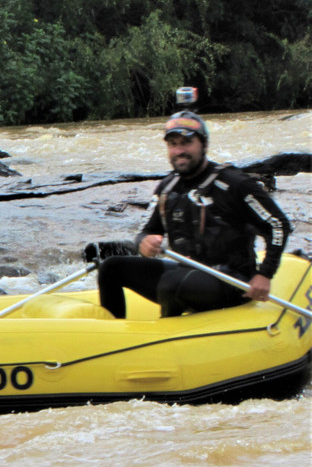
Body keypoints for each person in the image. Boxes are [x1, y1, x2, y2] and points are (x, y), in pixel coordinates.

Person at [95, 110, 291, 319]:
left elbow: (278, 224)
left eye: (186, 142)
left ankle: (167, 333)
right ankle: (116, 333)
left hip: (232, 281)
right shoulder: (166, 189)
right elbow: (145, 232)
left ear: (203, 145)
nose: (179, 150)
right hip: (184, 273)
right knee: (110, 268)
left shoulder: (235, 184)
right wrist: (144, 243)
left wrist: (265, 274)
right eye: (173, 144)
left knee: (172, 284)